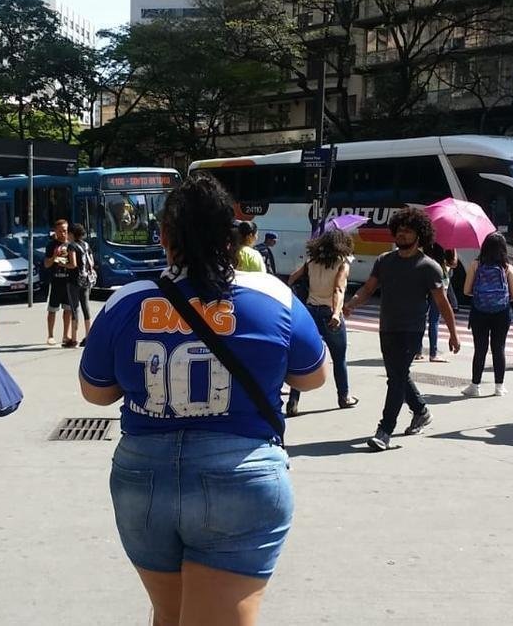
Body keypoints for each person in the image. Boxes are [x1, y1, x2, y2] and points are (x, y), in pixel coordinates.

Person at [78, 175, 326, 626]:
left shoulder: (126, 300)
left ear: (166, 236)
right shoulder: (273, 296)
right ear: (230, 237)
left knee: (169, 616)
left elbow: (96, 392)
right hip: (240, 475)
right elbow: (313, 378)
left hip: (142, 479)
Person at [342, 207, 460, 451]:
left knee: (395, 379)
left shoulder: (429, 266)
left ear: (420, 235)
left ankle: (385, 430)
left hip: (412, 330)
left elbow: (442, 302)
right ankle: (421, 411)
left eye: (408, 231)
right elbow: (368, 288)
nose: (403, 235)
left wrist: (453, 333)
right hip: (387, 328)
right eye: (400, 230)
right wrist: (352, 304)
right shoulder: (384, 261)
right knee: (398, 375)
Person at [285, 229, 359, 416]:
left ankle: (293, 401)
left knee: (303, 357)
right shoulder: (342, 264)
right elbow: (338, 290)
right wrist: (336, 313)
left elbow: (292, 278)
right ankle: (344, 397)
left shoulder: (311, 262)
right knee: (339, 358)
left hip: (309, 312)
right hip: (328, 314)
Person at [462, 233, 513, 397]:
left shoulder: (476, 265)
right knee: (499, 348)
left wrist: (481, 296)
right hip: (502, 313)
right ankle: (499, 387)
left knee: (480, 349)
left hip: (479, 312)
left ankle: (475, 386)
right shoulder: (508, 267)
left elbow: (466, 290)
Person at [44, 219, 79, 347]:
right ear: (56, 232)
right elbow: (46, 264)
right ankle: (50, 335)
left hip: (69, 282)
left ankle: (66, 335)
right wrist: (54, 256)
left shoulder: (72, 245)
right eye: (60, 231)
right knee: (52, 310)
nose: (63, 233)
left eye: (65, 231)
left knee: (68, 310)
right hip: (56, 281)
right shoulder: (51, 245)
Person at [420, 243, 456, 362]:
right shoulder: (447, 244)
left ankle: (418, 351)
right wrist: (454, 248)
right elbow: (453, 263)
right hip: (440, 281)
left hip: (424, 281)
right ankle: (433, 353)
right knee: (434, 319)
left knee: (421, 317)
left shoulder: (427, 245)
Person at [69, 223, 95, 346]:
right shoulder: (86, 245)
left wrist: (63, 264)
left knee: (74, 308)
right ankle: (88, 336)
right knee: (86, 307)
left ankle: (73, 339)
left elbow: (73, 264)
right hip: (86, 279)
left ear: (72, 234)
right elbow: (92, 262)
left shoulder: (72, 246)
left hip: (74, 280)